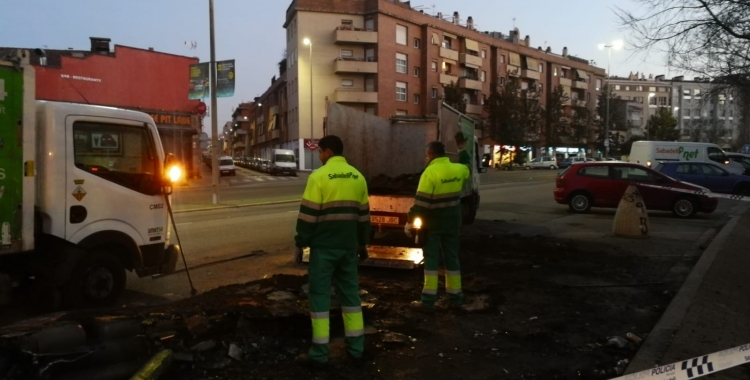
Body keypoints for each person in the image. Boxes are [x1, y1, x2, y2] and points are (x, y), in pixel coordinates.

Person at [294, 134, 371, 367]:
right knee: (350, 296)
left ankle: (319, 354)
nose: (318, 156)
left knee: (319, 296)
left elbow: (308, 216)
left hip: (324, 249)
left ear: (328, 152)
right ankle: (356, 349)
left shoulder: (319, 178)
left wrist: (301, 241)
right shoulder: (358, 177)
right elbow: (364, 218)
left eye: (320, 152)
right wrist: (362, 243)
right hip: (348, 248)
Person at [405, 141, 470, 312]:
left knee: (432, 261)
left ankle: (428, 300)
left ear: (431, 155)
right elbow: (468, 166)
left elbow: (421, 203)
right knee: (452, 257)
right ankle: (456, 297)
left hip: (433, 223)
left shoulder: (429, 173)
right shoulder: (458, 170)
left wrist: (410, 220)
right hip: (453, 222)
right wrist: (462, 149)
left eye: (427, 155)